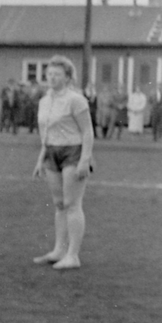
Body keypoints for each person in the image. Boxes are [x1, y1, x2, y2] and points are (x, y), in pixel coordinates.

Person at [33, 55, 94, 271]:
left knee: (72, 203)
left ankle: (73, 255)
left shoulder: (76, 100)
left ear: (68, 77)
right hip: (51, 152)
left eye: (57, 74)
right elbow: (45, 133)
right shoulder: (44, 101)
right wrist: (40, 158)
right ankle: (59, 250)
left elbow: (88, 131)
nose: (52, 78)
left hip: (73, 152)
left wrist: (85, 160)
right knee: (59, 204)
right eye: (49, 74)